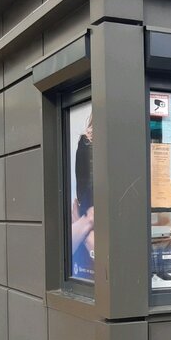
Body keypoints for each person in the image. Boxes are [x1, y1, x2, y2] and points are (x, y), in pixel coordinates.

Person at [70, 111, 95, 280]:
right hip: (91, 215)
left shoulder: (86, 141)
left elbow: (82, 187)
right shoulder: (86, 142)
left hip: (88, 213)